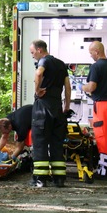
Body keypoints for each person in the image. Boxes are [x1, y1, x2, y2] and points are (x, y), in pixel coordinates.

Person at [29, 40, 71, 188]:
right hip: (57, 108)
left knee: (40, 142)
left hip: (43, 107)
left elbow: (38, 73)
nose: (33, 56)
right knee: (56, 143)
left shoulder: (44, 61)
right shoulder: (61, 64)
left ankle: (40, 179)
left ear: (40, 50)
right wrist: (67, 105)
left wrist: (37, 90)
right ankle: (59, 179)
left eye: (33, 53)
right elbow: (67, 86)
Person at [82, 41, 107, 179]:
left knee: (102, 135)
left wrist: (83, 87)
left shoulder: (96, 66)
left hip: (102, 106)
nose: (90, 55)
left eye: (91, 52)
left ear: (97, 51)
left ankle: (104, 170)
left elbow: (92, 87)